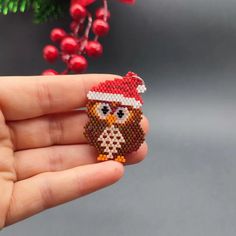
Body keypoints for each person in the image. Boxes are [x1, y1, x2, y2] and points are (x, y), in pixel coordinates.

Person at [0, 74, 149, 228]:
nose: (110, 118)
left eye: (119, 114)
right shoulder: (95, 129)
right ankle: (107, 153)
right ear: (95, 109)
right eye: (104, 110)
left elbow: (135, 140)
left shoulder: (129, 132)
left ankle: (111, 153)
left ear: (132, 115)